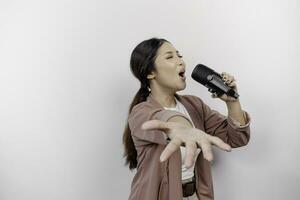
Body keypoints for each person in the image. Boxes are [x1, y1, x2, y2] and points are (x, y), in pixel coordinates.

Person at [122, 37, 251, 200]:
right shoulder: (141, 112)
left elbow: (237, 138)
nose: (181, 61)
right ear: (150, 72)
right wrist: (182, 128)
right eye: (169, 57)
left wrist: (233, 102)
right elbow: (165, 119)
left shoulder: (194, 105)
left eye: (179, 55)